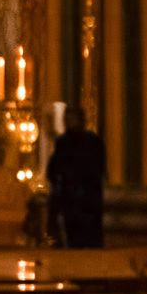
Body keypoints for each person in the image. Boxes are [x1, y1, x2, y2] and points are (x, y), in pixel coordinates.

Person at [47, 105, 107, 248]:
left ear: (82, 121)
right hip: (70, 196)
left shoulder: (93, 142)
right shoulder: (62, 142)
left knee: (90, 234)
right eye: (68, 120)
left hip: (88, 196)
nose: (70, 123)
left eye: (73, 119)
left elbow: (99, 167)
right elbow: (54, 167)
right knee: (73, 233)